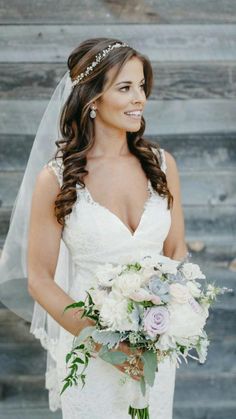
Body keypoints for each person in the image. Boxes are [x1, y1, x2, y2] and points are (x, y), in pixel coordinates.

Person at [1, 37, 188, 418]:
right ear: (92, 100)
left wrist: (171, 319)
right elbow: (38, 279)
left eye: (141, 86)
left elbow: (176, 252)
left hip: (153, 350)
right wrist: (106, 345)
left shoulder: (163, 164)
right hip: (91, 351)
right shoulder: (56, 179)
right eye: (125, 88)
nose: (139, 98)